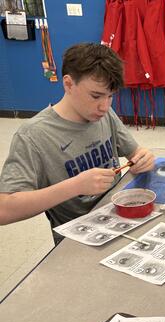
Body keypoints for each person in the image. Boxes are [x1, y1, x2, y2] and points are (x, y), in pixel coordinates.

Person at [0, 43, 155, 245]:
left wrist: (143, 157)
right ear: (69, 84)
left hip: (120, 219)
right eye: (96, 96)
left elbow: (135, 153)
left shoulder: (104, 114)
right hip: (78, 238)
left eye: (111, 96)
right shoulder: (32, 135)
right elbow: (4, 210)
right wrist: (75, 186)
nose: (104, 106)